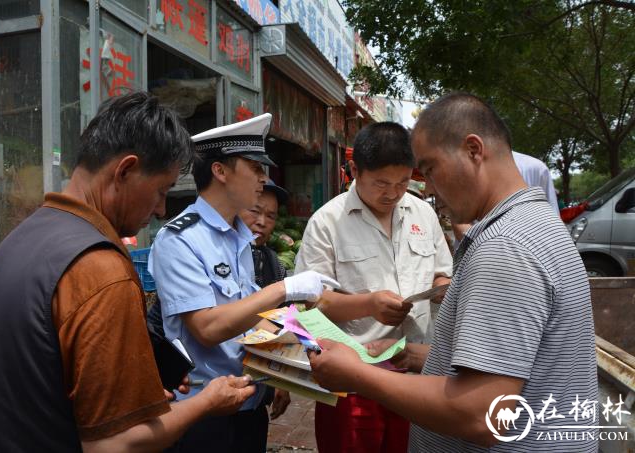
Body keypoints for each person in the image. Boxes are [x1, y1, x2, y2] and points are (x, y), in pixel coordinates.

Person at [308, 93, 598, 452]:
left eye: (429, 170)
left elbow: (481, 413)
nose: (425, 189)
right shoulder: (537, 224)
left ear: (474, 150)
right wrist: (421, 355)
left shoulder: (505, 246)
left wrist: (355, 373)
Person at [0, 92, 257, 452]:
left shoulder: (19, 239)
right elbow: (114, 445)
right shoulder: (102, 271)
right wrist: (207, 402)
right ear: (124, 170)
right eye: (160, 190)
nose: (160, 209)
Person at [149, 113, 338, 453]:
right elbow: (207, 328)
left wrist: (297, 345)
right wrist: (283, 289)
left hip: (249, 403)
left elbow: (247, 319)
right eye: (254, 168)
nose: (263, 179)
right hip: (203, 414)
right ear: (219, 171)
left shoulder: (240, 237)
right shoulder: (179, 239)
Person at [295, 122, 453, 453]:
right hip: (353, 380)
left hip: (416, 375)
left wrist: (442, 287)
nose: (393, 193)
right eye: (381, 183)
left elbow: (442, 272)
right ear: (354, 170)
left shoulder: (422, 213)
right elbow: (310, 304)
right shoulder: (327, 222)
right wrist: (369, 305)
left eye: (402, 183)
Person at [238, 179, 291, 421]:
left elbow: (282, 323)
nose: (262, 222)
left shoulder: (274, 264)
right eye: (255, 211)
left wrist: (284, 381)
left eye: (270, 216)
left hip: (257, 393)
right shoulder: (222, 257)